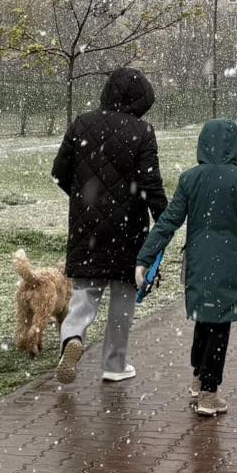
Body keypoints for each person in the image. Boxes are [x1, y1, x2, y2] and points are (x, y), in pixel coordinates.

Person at [134, 118, 237, 418]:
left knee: (204, 319)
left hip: (198, 261)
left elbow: (168, 222)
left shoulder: (190, 179)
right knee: (220, 326)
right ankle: (209, 393)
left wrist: (144, 258)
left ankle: (198, 377)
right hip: (230, 263)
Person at [51, 66, 168, 386]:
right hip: (129, 230)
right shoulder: (142, 132)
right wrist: (164, 218)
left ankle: (72, 337)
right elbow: (150, 183)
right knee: (123, 299)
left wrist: (83, 200)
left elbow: (59, 171)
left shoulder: (81, 123)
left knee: (85, 294)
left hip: (86, 227)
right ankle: (114, 365)